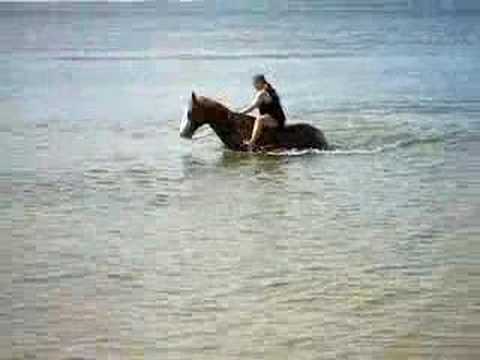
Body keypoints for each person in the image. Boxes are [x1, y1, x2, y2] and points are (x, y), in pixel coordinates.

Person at [240, 74, 286, 147]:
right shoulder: (269, 89)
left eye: (254, 84)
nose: (254, 86)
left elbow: (252, 107)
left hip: (276, 120)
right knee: (256, 117)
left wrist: (240, 113)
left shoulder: (263, 93)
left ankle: (252, 142)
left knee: (259, 119)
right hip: (277, 118)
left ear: (260, 83)